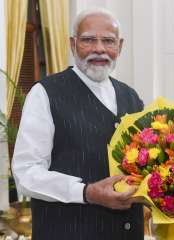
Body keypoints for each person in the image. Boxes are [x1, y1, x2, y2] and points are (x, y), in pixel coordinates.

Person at [12, 9, 145, 240]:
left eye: (108, 41)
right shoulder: (45, 93)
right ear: (73, 44)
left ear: (120, 46)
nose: (99, 49)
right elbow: (26, 173)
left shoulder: (131, 96)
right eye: (88, 40)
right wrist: (87, 192)